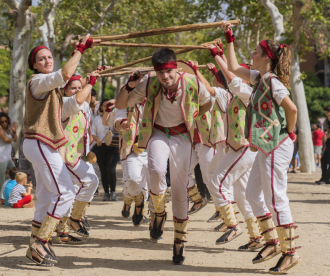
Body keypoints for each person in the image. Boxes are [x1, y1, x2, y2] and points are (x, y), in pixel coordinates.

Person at [115, 48, 212, 265]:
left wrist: (196, 116)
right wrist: (129, 85)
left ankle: (179, 241)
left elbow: (208, 101)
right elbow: (121, 104)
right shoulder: (149, 83)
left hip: (182, 137)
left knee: (179, 187)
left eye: (169, 72)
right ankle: (158, 212)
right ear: (156, 72)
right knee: (157, 170)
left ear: (176, 68)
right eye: (161, 73)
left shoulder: (192, 82)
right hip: (157, 132)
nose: (165, 77)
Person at [222, 21, 301, 274]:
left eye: (255, 52)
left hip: (276, 145)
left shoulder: (272, 82)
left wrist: (289, 132)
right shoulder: (259, 78)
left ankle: (290, 253)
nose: (251, 55)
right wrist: (229, 38)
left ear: (267, 57)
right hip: (267, 146)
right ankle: (272, 242)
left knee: (276, 198)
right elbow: (233, 68)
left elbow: (292, 108)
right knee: (252, 193)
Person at [23, 36, 99, 266]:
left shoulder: (54, 91)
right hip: (40, 142)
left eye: (49, 57)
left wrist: (91, 82)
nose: (47, 60)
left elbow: (73, 104)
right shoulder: (37, 81)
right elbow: (66, 75)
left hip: (44, 145)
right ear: (34, 65)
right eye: (41, 58)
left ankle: (34, 243)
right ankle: (42, 242)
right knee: (65, 192)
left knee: (47, 198)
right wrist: (80, 50)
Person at [199, 48, 263, 251]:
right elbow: (229, 79)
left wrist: (217, 54)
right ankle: (256, 236)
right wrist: (219, 57)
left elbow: (232, 78)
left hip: (243, 148)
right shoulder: (233, 96)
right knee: (242, 194)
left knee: (216, 183)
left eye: (240, 76)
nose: (234, 78)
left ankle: (233, 225)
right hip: (237, 148)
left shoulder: (248, 93)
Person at [55, 73, 100, 244]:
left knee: (69, 193)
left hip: (76, 155)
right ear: (64, 90)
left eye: (79, 88)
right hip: (65, 156)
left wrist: (89, 80)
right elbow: (79, 100)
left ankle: (62, 231)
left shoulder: (83, 106)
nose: (76, 91)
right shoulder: (65, 103)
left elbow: (85, 101)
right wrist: (91, 83)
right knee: (91, 181)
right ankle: (75, 218)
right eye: (72, 88)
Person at [91, 99, 120, 201]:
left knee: (111, 169)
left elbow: (119, 130)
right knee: (103, 170)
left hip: (113, 146)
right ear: (101, 107)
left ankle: (113, 192)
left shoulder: (115, 118)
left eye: (110, 105)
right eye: (105, 105)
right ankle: (106, 193)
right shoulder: (96, 119)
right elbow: (93, 133)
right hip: (100, 147)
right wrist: (97, 140)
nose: (108, 107)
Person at [0, 112, 17, 196]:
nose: (4, 123)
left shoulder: (9, 128)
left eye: (6, 121)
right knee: (0, 177)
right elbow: (6, 140)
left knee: (14, 172)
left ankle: (12, 191)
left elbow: (15, 139)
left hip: (7, 156)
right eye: (2, 122)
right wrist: (12, 139)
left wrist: (14, 131)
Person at [315, 106, 330, 184]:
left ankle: (326, 179)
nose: (327, 112)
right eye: (326, 110)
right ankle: (323, 178)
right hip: (328, 144)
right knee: (323, 161)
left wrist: (325, 136)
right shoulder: (329, 121)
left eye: (329, 110)